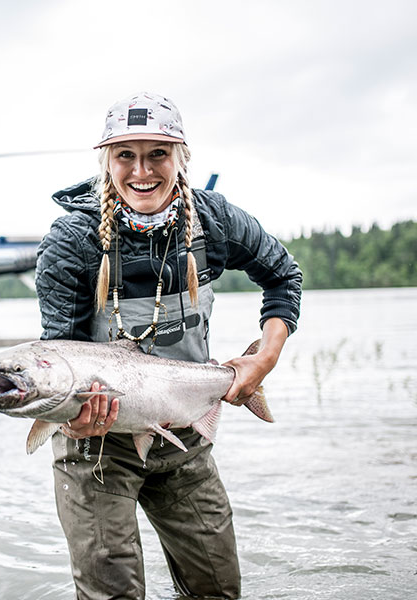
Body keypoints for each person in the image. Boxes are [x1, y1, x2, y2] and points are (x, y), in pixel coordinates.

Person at [35, 92, 302, 599]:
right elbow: (62, 356)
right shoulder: (72, 241)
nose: (142, 170)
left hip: (184, 442)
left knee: (216, 590)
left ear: (182, 157)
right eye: (125, 155)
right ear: (105, 161)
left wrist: (263, 359)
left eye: (157, 153)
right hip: (94, 447)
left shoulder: (215, 221)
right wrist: (71, 415)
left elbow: (284, 277)